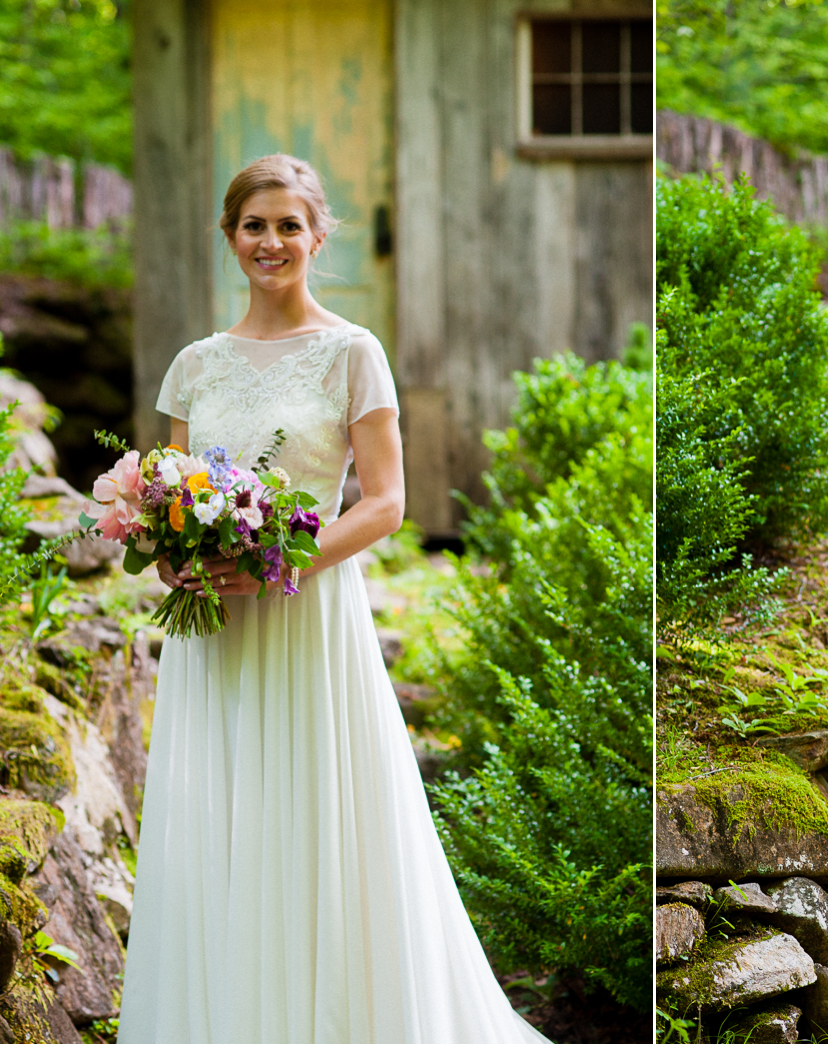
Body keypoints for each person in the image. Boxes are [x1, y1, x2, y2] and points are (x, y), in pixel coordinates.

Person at [117, 154, 551, 1044]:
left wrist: (283, 566)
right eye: (253, 226)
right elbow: (174, 496)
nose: (270, 242)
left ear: (317, 236)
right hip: (215, 631)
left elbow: (389, 503)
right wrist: (172, 556)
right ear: (229, 237)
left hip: (309, 616)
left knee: (320, 814)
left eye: (287, 225)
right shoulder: (193, 366)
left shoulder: (353, 352)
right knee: (219, 811)